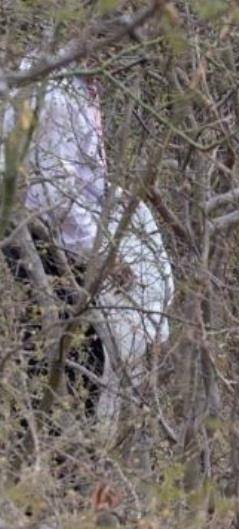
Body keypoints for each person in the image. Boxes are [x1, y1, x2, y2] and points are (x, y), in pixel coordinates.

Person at [2, 54, 174, 424]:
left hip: (57, 228)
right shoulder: (58, 89)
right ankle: (58, 458)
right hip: (34, 231)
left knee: (75, 350)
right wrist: (100, 253)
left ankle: (69, 449)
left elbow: (81, 178)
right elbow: (54, 192)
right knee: (74, 352)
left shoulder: (82, 81)